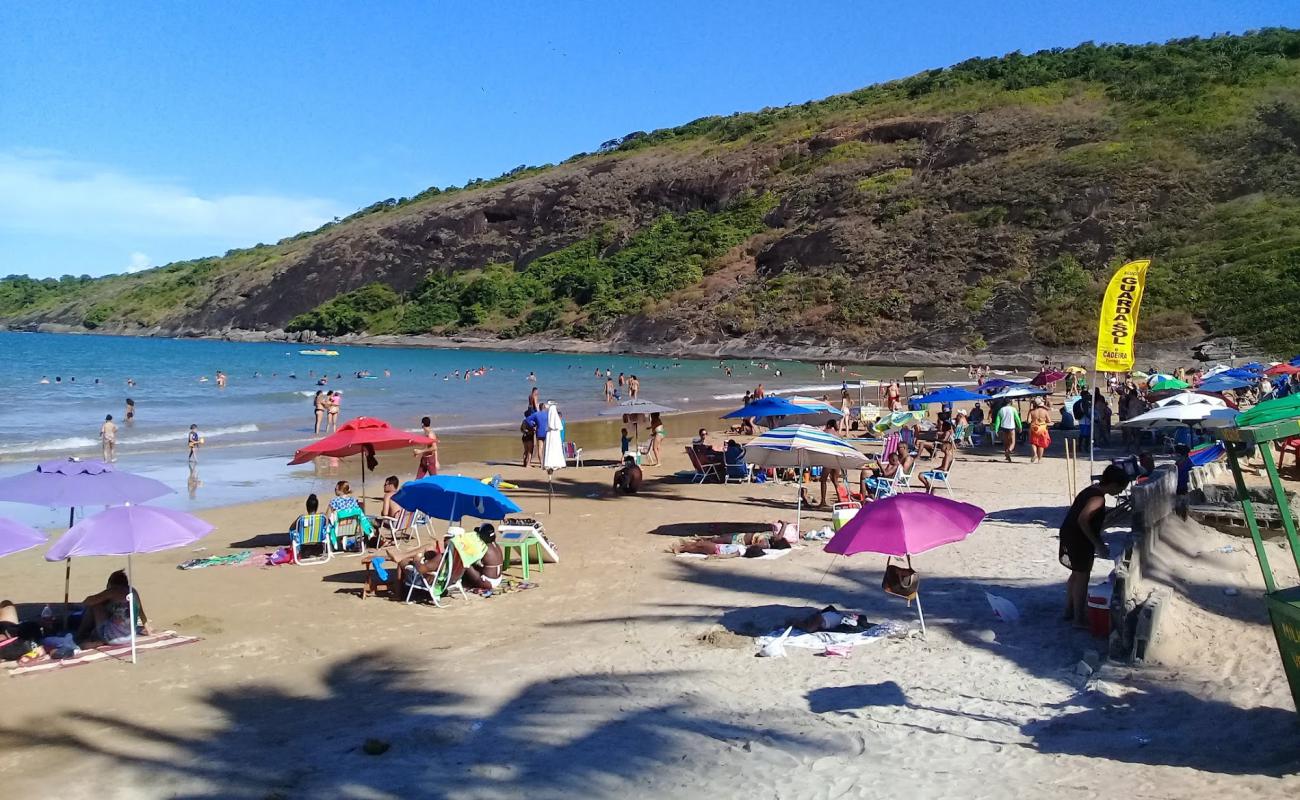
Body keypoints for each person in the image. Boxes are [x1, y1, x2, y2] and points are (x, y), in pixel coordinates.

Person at [1060, 465, 1130, 628]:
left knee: (1076, 574)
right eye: (1120, 488)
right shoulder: (1098, 498)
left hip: (1070, 533)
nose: (1119, 492)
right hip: (1079, 537)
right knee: (1082, 577)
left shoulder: (1091, 490)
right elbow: (1083, 520)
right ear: (1113, 484)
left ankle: (1069, 611)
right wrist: (1098, 544)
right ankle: (1078, 620)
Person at [77, 569, 151, 646]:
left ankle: (81, 635)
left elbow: (88, 601)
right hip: (130, 637)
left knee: (95, 605)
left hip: (112, 638)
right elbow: (141, 612)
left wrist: (103, 597)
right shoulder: (133, 591)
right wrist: (149, 632)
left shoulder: (112, 592)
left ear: (112, 584)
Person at [672, 530, 792, 558]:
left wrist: (748, 548)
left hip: (738, 541)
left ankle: (691, 544)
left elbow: (753, 546)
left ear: (777, 542)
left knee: (717, 540)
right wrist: (784, 524)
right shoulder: (770, 537)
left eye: (779, 538)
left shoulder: (765, 543)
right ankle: (698, 540)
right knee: (717, 539)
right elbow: (780, 536)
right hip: (740, 537)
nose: (778, 535)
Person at [1027, 399, 1052, 463]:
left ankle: (1034, 453)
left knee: (1033, 442)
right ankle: (1039, 459)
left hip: (1034, 427)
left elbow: (1028, 421)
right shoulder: (1044, 411)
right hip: (1042, 427)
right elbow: (1049, 421)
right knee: (1041, 443)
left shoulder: (1031, 411)